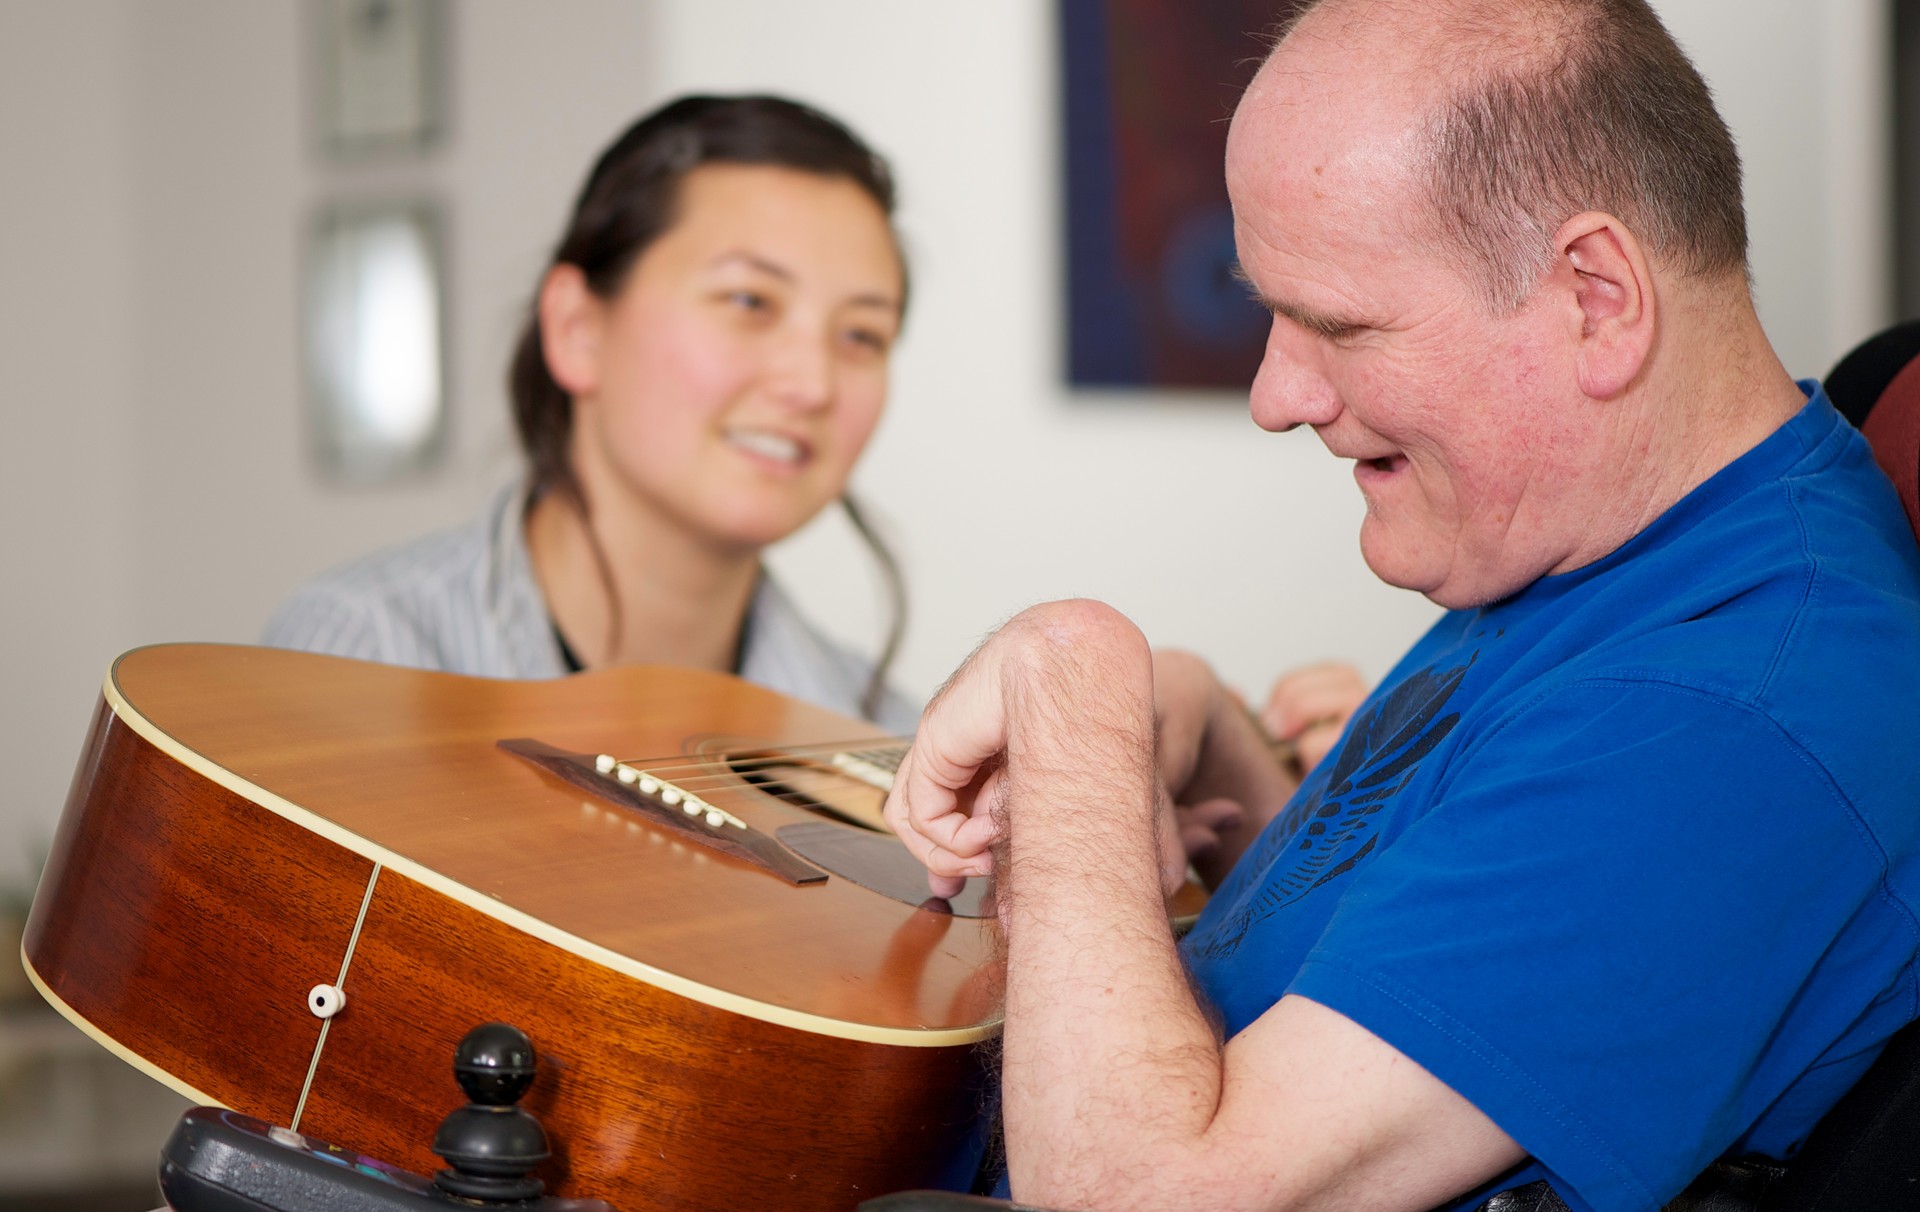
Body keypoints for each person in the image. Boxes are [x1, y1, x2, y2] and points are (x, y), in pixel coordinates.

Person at [882, 2, 1920, 1210]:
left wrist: (1072, 682)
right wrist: (1219, 741)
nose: (1276, 395)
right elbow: (1480, 957)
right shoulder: (1606, 545)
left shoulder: (1730, 721)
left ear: (1595, 295)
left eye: (1337, 324)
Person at [264, 95, 919, 734]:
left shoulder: (894, 751)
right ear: (577, 328)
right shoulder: (357, 653)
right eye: (750, 301)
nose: (812, 383)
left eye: (862, 336)